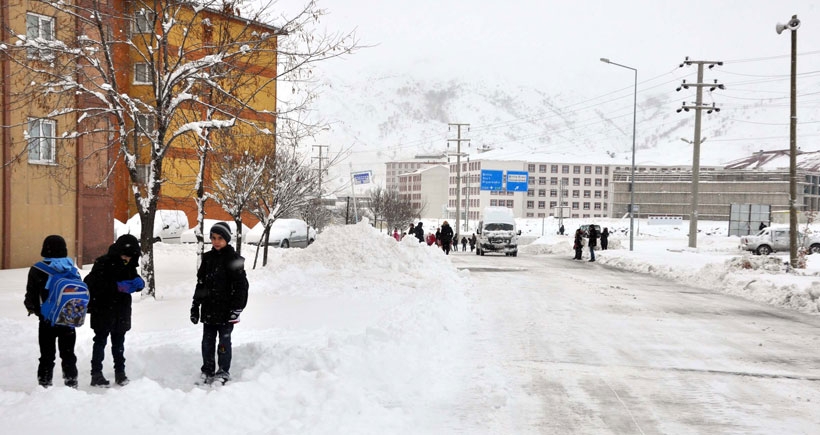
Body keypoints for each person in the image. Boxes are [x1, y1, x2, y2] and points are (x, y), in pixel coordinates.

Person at [190, 222, 249, 385]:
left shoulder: (234, 259)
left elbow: (241, 287)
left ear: (227, 239)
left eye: (220, 238)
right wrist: (195, 306)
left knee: (223, 342)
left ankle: (223, 371)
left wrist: (237, 309)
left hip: (226, 311)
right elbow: (201, 284)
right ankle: (207, 370)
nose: (216, 241)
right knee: (207, 342)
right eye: (213, 238)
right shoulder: (207, 259)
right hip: (209, 309)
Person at [85, 234, 144, 387]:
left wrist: (139, 284)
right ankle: (96, 374)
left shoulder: (129, 265)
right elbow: (92, 284)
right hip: (103, 310)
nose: (127, 259)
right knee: (100, 342)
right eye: (125, 255)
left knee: (119, 344)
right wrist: (116, 287)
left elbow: (134, 279)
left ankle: (120, 373)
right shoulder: (103, 263)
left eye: (130, 257)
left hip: (121, 311)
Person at [24, 235, 81, 388]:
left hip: (47, 320)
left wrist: (34, 309)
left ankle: (44, 385)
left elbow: (31, 295)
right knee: (68, 355)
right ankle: (71, 384)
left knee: (47, 356)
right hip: (68, 319)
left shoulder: (37, 269)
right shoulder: (72, 269)